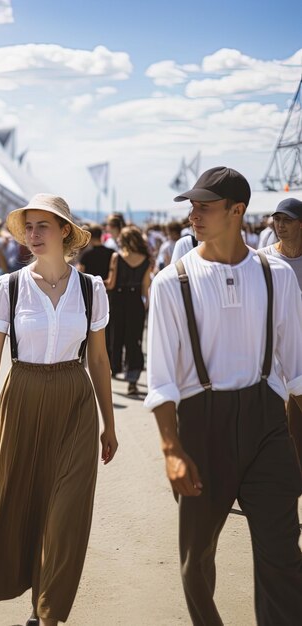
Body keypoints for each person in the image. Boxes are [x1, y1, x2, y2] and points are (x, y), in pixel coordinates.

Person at [145, 167, 302, 625]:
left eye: (204, 206)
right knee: (197, 558)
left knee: (282, 553)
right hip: (200, 425)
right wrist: (171, 449)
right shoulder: (172, 282)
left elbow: (295, 372)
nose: (193, 215)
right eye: (192, 206)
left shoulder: (278, 276)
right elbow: (161, 379)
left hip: (267, 422)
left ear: (237, 211)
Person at [0, 193, 118, 626]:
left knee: (66, 514)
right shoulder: (8, 286)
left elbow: (100, 361)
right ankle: (35, 600)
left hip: (75, 401)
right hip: (22, 397)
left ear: (65, 232)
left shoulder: (91, 289)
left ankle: (48, 613)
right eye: (28, 227)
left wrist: (110, 423)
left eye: (43, 227)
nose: (33, 236)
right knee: (21, 504)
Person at [259, 197, 302, 465]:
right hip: (276, 350)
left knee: (295, 424)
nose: (280, 225)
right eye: (277, 219)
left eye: (287, 220)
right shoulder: (263, 259)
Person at [105, 226, 151, 395]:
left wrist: (97, 282)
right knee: (134, 341)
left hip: (117, 299)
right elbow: (146, 288)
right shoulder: (146, 260)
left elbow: (111, 283)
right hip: (135, 301)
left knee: (116, 337)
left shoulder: (117, 257)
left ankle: (114, 370)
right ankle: (132, 380)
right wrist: (145, 306)